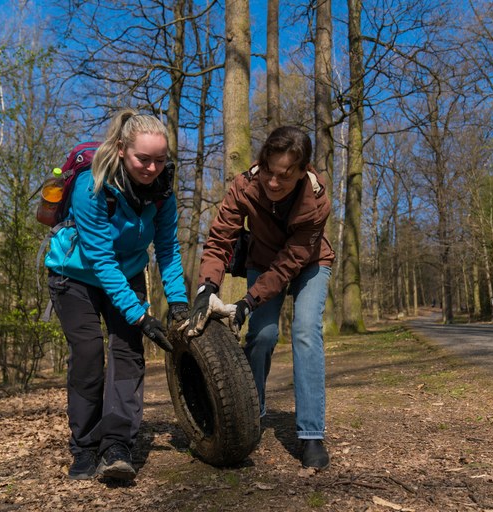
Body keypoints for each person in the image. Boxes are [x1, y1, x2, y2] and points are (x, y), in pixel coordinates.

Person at [45, 108, 189, 481]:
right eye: (144, 158)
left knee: (128, 355)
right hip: (74, 275)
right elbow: (100, 259)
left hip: (126, 273)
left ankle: (116, 445)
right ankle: (85, 446)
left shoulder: (163, 194)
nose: (152, 168)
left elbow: (168, 249)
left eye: (160, 159)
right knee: (89, 353)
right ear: (123, 149)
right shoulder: (92, 185)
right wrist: (140, 315)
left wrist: (178, 303)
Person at [186, 125, 335, 470]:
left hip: (310, 263)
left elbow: (290, 262)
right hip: (262, 259)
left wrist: (249, 301)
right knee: (263, 335)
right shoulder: (244, 186)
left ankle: (311, 433)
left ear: (302, 172)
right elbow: (220, 238)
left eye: (284, 176)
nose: (272, 182)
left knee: (305, 332)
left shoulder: (317, 201)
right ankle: (250, 413)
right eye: (268, 170)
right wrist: (207, 287)